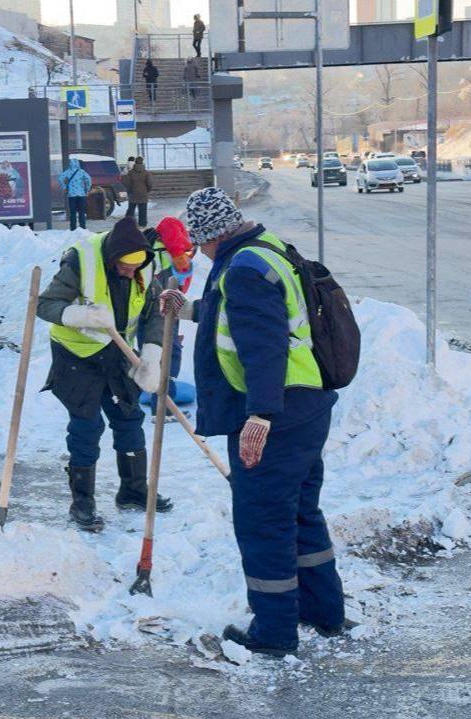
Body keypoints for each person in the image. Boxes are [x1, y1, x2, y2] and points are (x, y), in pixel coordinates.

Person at [158, 187, 347, 657]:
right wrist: (190, 309)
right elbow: (244, 317)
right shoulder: (267, 250)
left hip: (276, 414)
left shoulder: (242, 270)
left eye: (199, 241)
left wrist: (259, 415)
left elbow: (264, 346)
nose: (198, 251)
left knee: (264, 520)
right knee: (301, 511)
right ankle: (324, 612)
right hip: (307, 406)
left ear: (212, 236)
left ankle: (274, 632)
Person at [37, 217, 174, 532]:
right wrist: (80, 315)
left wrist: (152, 356)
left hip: (117, 351)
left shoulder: (144, 265)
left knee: (128, 418)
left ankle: (133, 491)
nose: (131, 272)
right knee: (87, 425)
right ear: (113, 259)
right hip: (77, 355)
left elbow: (153, 311)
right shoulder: (81, 260)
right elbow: (45, 305)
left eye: (135, 267)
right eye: (125, 267)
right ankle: (82, 502)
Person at [143, 217, 195, 414]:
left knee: (154, 353)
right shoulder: (169, 248)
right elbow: (180, 279)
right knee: (168, 355)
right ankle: (164, 407)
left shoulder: (153, 245)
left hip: (150, 308)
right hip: (164, 309)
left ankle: (156, 398)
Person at [59, 157, 92, 231]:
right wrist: (87, 189)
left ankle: (73, 228)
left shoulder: (67, 172)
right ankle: (83, 227)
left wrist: (64, 187)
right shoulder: (82, 172)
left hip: (72, 195)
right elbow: (88, 180)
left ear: (70, 164)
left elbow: (60, 178)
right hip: (81, 194)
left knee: (73, 212)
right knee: (81, 212)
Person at [124, 156, 153, 228]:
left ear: (135, 162)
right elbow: (150, 183)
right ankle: (142, 224)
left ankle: (128, 223)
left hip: (133, 194)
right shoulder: (146, 173)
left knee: (131, 209)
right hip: (143, 194)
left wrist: (130, 190)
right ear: (142, 162)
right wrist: (147, 190)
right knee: (142, 210)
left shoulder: (130, 173)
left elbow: (127, 182)